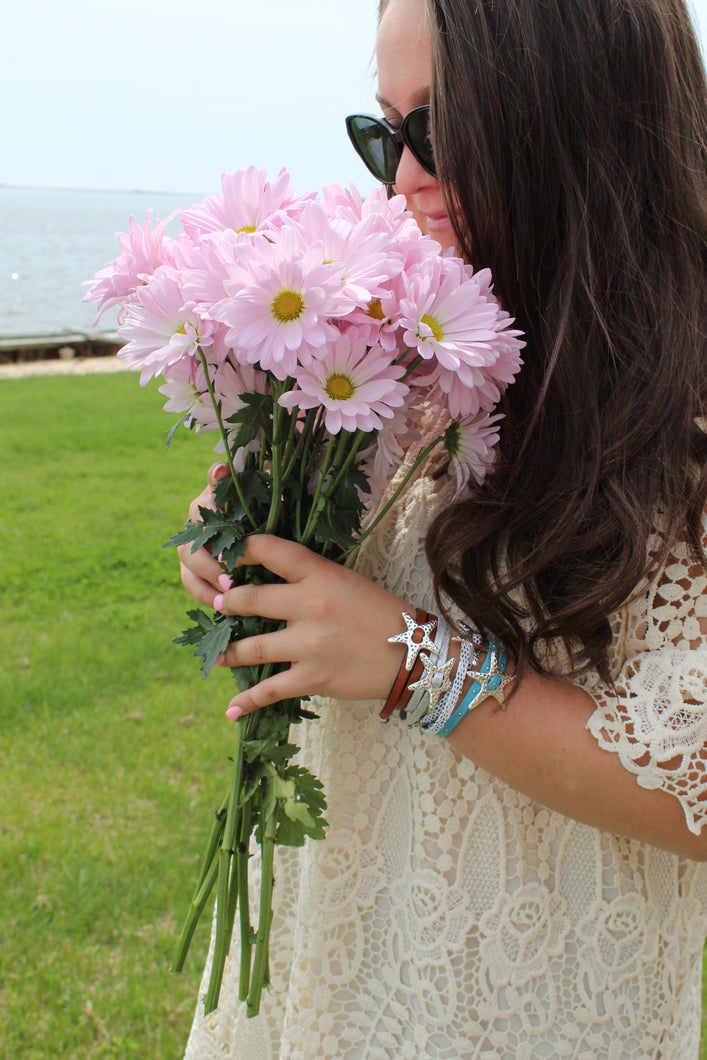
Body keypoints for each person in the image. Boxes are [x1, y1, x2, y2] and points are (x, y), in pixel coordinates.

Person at [180, 0, 707, 1056]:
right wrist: (264, 525)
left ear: (575, 125)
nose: (402, 178)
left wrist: (416, 664)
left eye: (443, 131)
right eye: (384, 130)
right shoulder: (412, 352)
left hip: (522, 998)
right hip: (327, 955)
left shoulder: (679, 408)